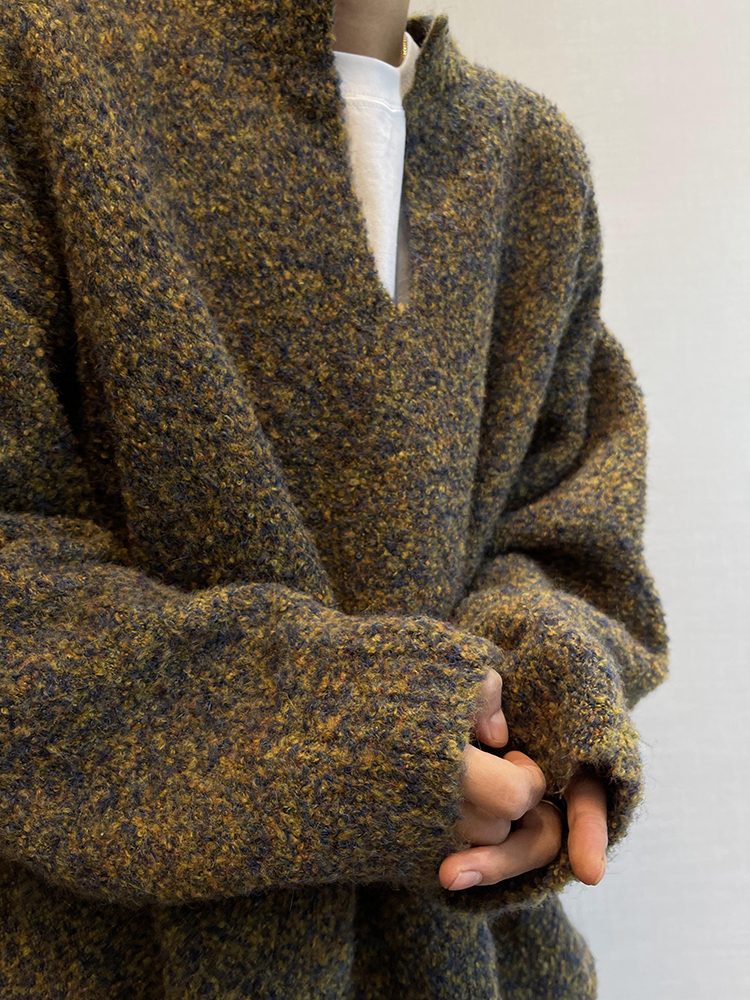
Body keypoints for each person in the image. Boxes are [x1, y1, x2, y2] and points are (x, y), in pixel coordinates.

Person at [0, 1, 670, 998]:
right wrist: (364, 733)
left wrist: (547, 699)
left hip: (478, 966)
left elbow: (570, 535)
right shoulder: (43, 70)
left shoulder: (532, 161)